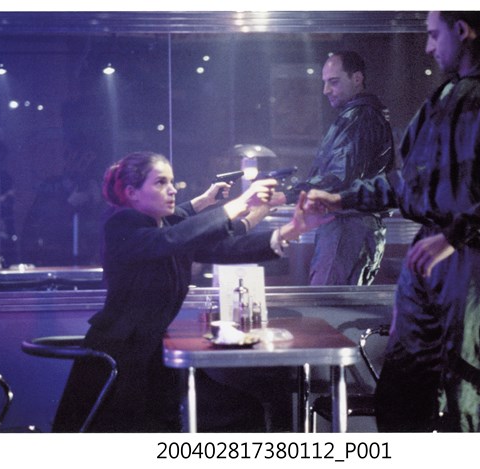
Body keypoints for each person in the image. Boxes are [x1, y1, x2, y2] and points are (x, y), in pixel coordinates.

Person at [305, 11, 480, 431]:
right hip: (428, 262)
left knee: (464, 400)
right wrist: (340, 198)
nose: (428, 46)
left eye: (434, 35)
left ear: (462, 30)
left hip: (478, 265)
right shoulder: (444, 98)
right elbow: (410, 183)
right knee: (399, 400)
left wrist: (454, 236)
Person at [52, 150, 332, 432]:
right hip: (122, 362)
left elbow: (226, 248)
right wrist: (241, 202)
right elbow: (173, 237)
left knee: (243, 410)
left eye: (171, 181)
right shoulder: (122, 224)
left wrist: (293, 229)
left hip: (154, 360)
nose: (172, 189)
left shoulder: (164, 229)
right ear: (131, 193)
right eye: (160, 182)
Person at [284, 50, 394, 285]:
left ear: (357, 78)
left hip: (347, 226)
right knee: (341, 303)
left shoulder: (359, 117)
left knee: (326, 302)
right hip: (356, 227)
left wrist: (288, 195)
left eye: (333, 82)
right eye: (324, 82)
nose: (326, 90)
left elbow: (339, 178)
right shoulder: (365, 115)